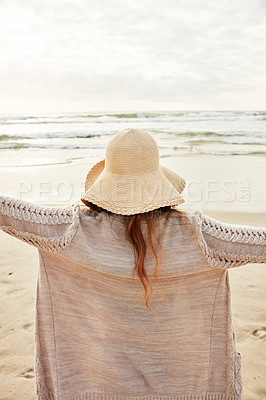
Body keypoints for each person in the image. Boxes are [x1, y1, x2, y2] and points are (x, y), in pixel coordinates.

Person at [0, 127, 265, 400]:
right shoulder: (200, 235)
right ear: (159, 182)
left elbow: (6, 212)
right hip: (183, 388)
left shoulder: (68, 231)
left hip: (94, 387)